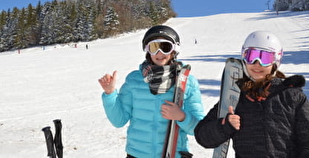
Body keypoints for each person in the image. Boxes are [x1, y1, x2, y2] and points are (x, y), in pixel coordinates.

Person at [194, 31, 309, 158]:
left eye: (265, 58)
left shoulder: (291, 97)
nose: (257, 63)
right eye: (251, 56)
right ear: (244, 57)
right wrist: (225, 125)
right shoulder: (235, 97)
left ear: (275, 61)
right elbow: (202, 136)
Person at [98, 25, 205, 158]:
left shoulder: (187, 82)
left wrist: (181, 116)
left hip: (173, 154)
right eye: (154, 48)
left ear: (174, 50)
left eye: (165, 47)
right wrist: (110, 94)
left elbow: (199, 129)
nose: (159, 53)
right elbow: (118, 120)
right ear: (147, 51)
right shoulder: (134, 80)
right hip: (137, 155)